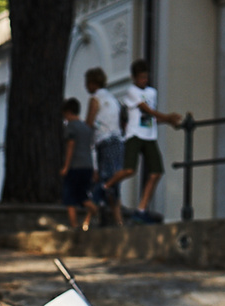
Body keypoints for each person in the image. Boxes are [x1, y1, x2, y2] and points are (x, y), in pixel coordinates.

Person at [106, 58, 182, 223]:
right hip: (134, 135)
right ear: (134, 78)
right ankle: (105, 187)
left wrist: (167, 121)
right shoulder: (132, 91)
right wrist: (168, 117)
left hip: (149, 135)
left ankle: (141, 208)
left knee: (156, 172)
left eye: (146, 77)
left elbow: (151, 117)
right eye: (141, 77)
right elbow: (145, 109)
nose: (144, 80)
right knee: (129, 170)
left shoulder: (152, 93)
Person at [83, 67, 123, 227]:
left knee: (104, 179)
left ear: (93, 83)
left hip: (103, 142)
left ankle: (89, 216)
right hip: (117, 141)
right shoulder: (113, 99)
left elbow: (89, 123)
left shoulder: (95, 98)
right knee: (113, 180)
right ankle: (117, 220)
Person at [60, 98, 97, 229]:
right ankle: (95, 209)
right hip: (88, 165)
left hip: (75, 166)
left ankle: (74, 225)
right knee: (83, 196)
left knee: (69, 197)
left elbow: (70, 146)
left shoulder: (71, 127)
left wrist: (66, 166)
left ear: (68, 112)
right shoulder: (86, 128)